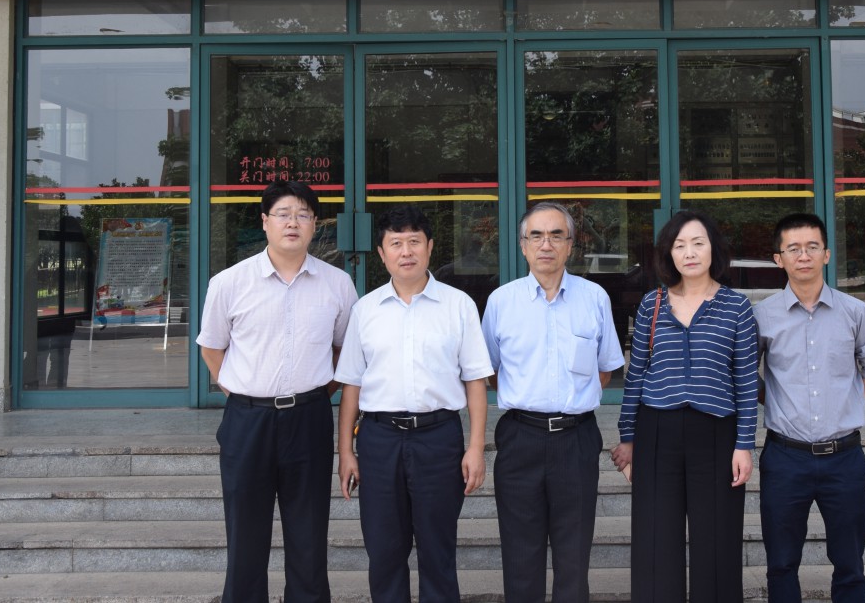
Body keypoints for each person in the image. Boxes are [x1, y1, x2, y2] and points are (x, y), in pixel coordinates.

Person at [196, 180, 357, 603]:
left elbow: (345, 350)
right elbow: (212, 348)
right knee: (245, 537)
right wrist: (244, 391)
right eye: (283, 214)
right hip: (247, 421)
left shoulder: (337, 284)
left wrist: (320, 391)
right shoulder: (230, 282)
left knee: (309, 536)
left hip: (309, 418)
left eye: (303, 215)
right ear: (265, 221)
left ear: (315, 225)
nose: (293, 223)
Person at [335, 204, 494, 603]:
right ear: (381, 252)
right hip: (379, 440)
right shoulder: (365, 310)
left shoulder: (458, 305)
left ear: (430, 247)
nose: (406, 252)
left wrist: (476, 447)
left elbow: (475, 381)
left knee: (438, 550)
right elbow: (351, 386)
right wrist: (346, 452)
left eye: (414, 242)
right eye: (396, 243)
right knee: (384, 551)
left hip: (438, 439)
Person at [610, 210, 759, 603]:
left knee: (718, 539)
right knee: (655, 540)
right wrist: (628, 437)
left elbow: (746, 381)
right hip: (657, 431)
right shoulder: (652, 304)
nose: (689, 253)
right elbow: (636, 374)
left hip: (716, 432)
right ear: (669, 254)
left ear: (713, 250)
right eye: (679, 245)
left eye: (698, 243)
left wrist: (744, 444)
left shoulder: (737, 307)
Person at [481, 202, 625, 603]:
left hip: (576, 439)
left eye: (556, 235)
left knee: (573, 556)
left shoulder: (594, 298)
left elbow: (604, 370)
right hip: (520, 438)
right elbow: (489, 371)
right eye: (537, 236)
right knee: (520, 554)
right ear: (523, 246)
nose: (546, 244)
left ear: (571, 245)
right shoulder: (501, 301)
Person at [755, 212, 865, 603]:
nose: (804, 256)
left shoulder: (854, 311)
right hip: (784, 458)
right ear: (779, 258)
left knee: (850, 565)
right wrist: (777, 399)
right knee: (781, 564)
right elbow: (745, 376)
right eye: (793, 249)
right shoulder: (762, 316)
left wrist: (844, 400)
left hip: (844, 459)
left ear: (826, 254)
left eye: (812, 247)